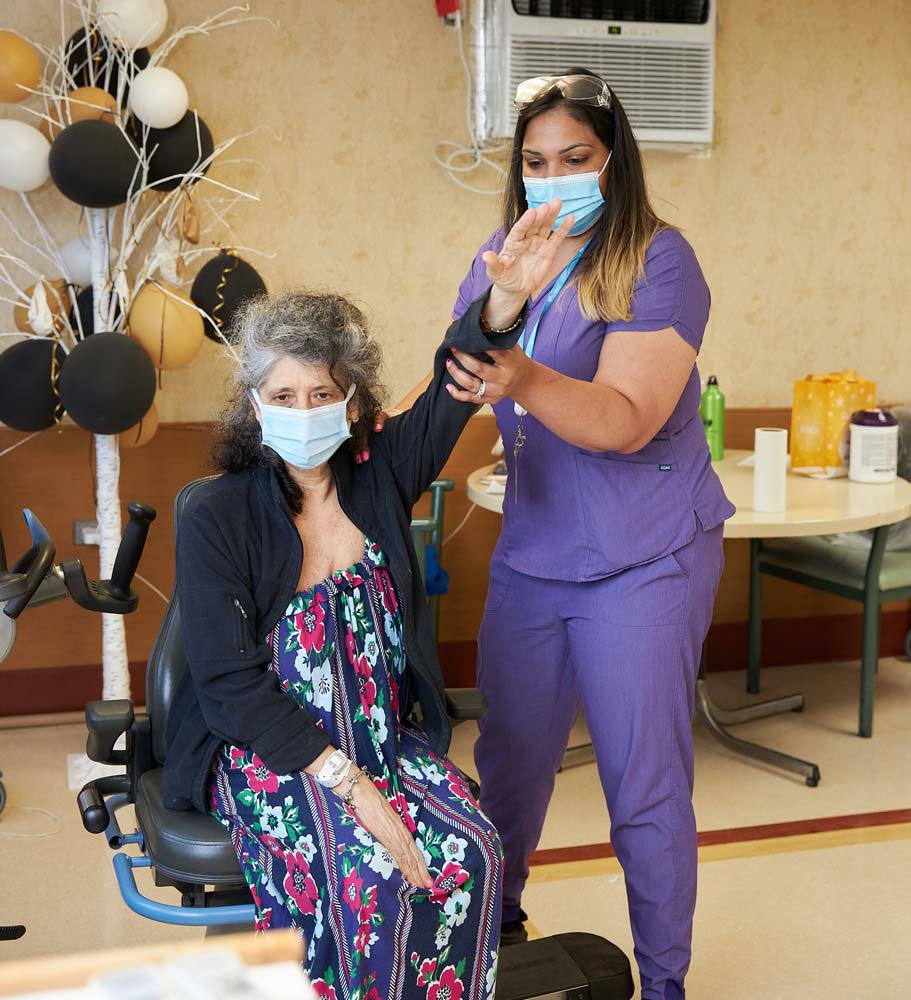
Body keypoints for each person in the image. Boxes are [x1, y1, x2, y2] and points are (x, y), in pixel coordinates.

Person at [162, 203, 571, 1000]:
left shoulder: (379, 473)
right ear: (253, 406)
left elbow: (455, 385)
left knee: (475, 853)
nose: (302, 411)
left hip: (383, 736)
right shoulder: (218, 514)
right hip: (273, 756)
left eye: (321, 393)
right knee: (373, 878)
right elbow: (229, 687)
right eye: (281, 394)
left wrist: (502, 307)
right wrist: (349, 785)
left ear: (353, 404)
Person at [398, 72, 735, 999]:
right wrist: (364, 437)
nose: (553, 180)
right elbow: (455, 372)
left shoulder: (657, 259)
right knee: (505, 769)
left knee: (643, 788)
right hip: (535, 553)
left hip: (645, 558)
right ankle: (497, 943)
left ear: (613, 159)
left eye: (575, 159)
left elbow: (626, 415)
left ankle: (664, 985)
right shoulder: (499, 258)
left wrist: (517, 372)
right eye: (536, 162)